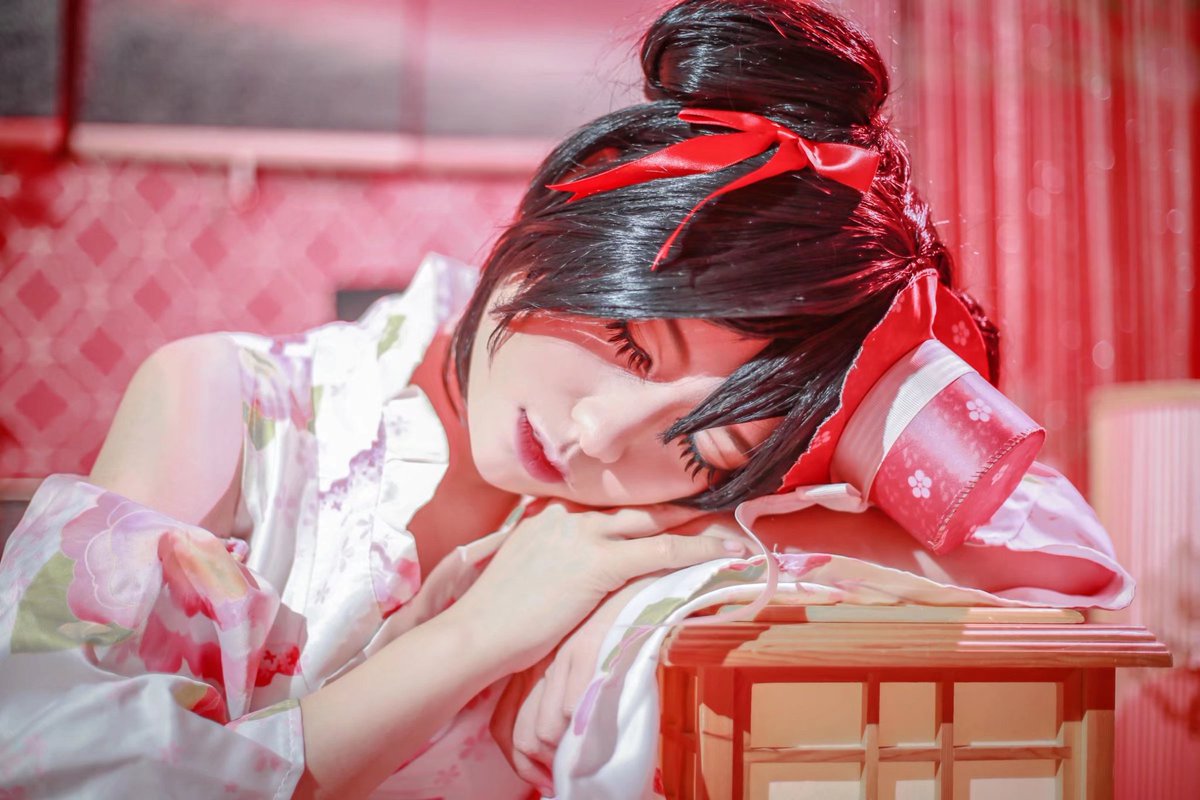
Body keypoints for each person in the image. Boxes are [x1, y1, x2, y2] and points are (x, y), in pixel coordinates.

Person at [0, 2, 1131, 799]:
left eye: (697, 450)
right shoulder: (227, 409)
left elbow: (1063, 553)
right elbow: (43, 760)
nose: (597, 435)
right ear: (571, 210)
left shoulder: (653, 521)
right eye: (629, 342)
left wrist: (750, 493)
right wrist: (478, 637)